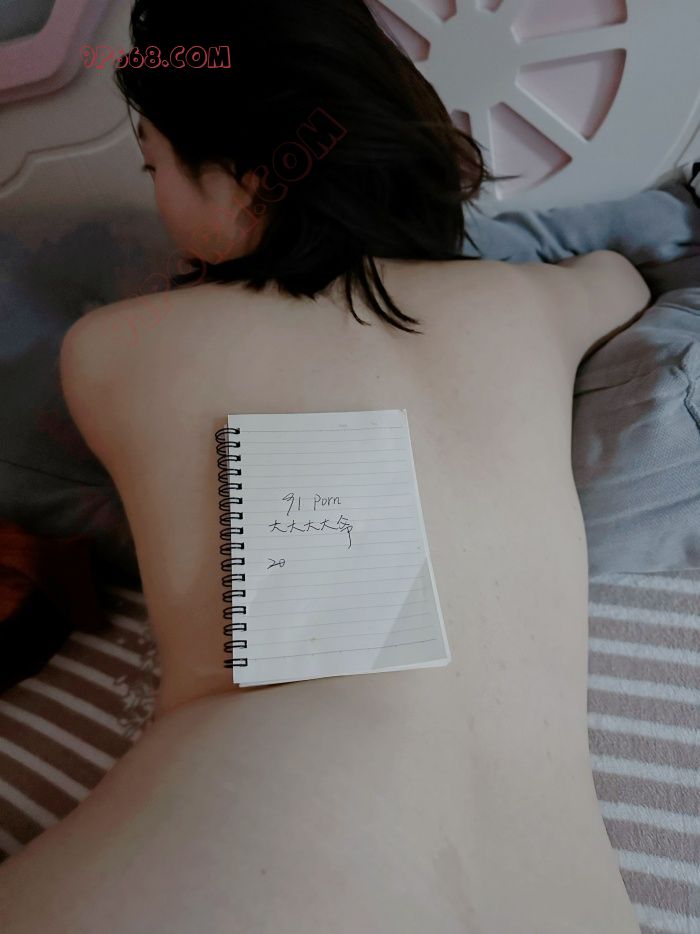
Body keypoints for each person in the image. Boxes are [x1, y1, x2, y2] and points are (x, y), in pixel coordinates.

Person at [0, 1, 649, 930]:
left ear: (248, 178)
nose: (155, 198)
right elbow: (622, 273)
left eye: (155, 168)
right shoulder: (531, 301)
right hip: (571, 900)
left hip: (258, 842)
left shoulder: (112, 347)